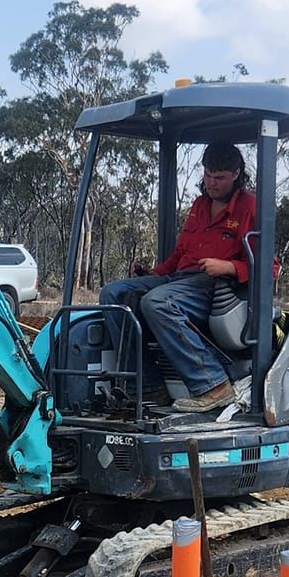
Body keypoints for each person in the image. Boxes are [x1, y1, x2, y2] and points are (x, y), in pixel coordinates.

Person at [96, 142, 259, 413]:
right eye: (207, 175)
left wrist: (228, 267)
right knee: (114, 294)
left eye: (219, 177)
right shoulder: (199, 205)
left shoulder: (250, 207)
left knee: (157, 303)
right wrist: (153, 274)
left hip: (217, 287)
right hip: (180, 281)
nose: (211, 183)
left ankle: (213, 385)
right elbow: (180, 254)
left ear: (236, 174)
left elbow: (269, 268)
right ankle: (148, 387)